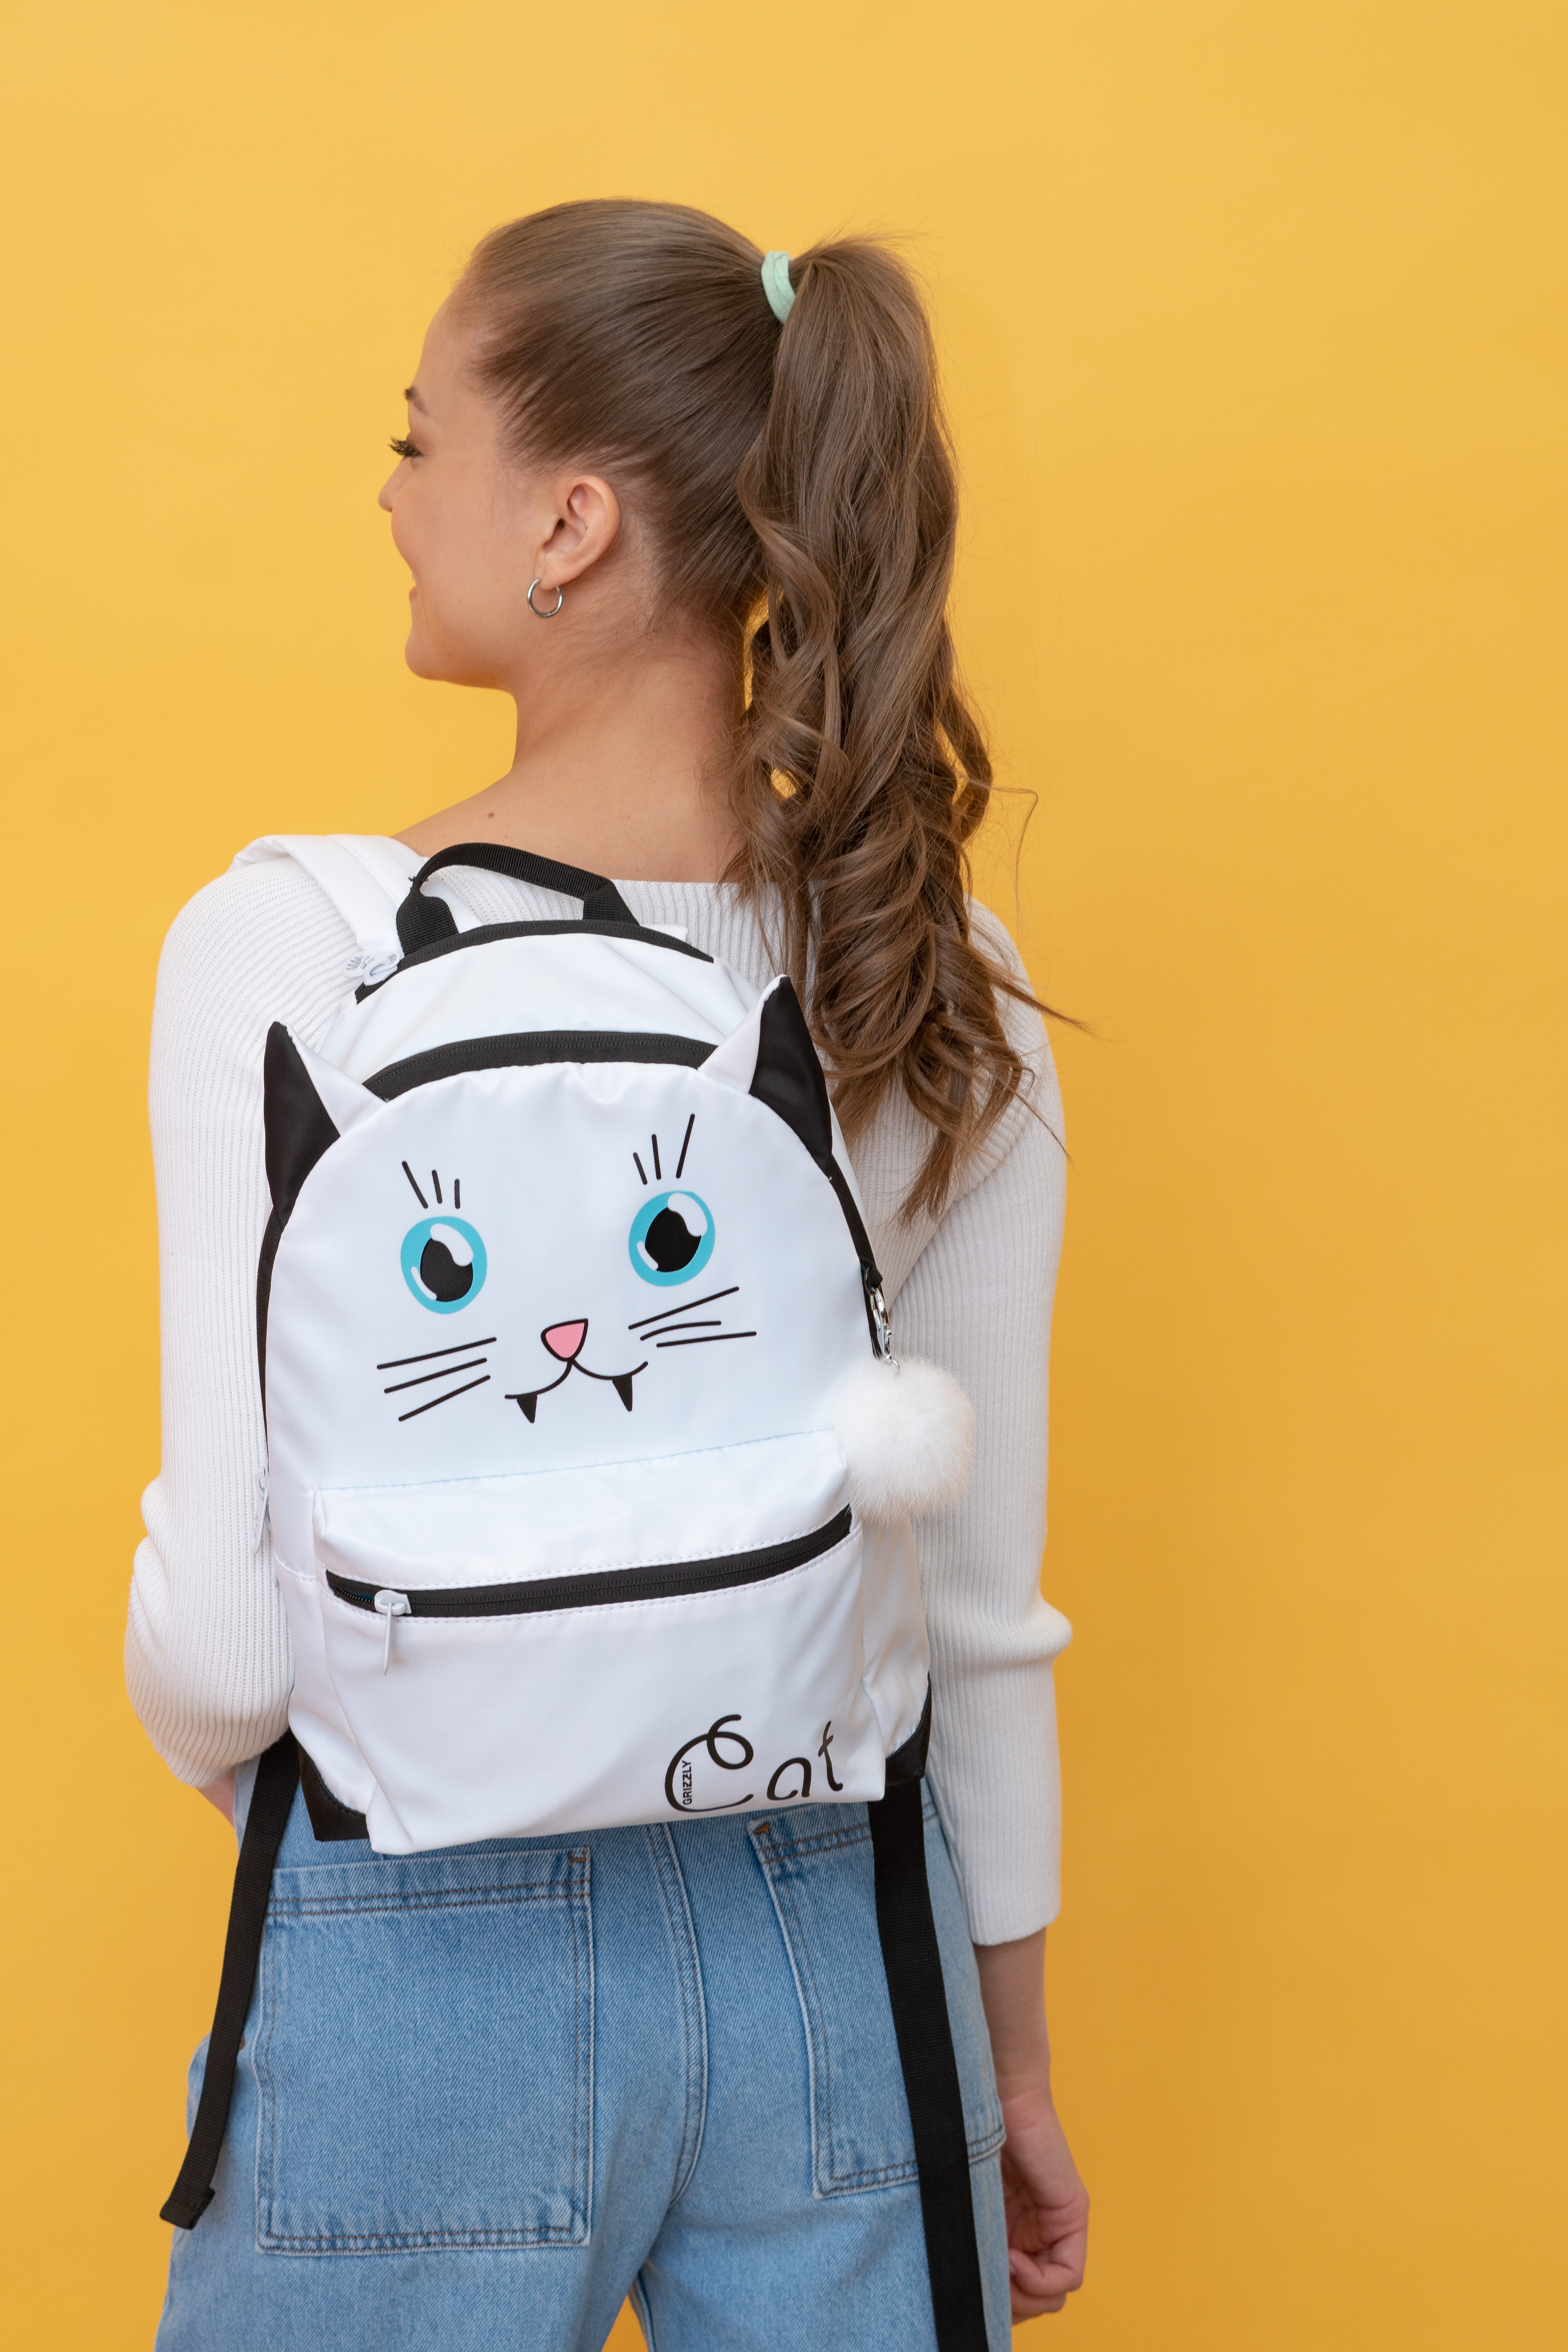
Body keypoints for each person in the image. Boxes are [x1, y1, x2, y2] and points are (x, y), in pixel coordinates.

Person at [132, 198, 1087, 2350]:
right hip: (840, 1942)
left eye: (419, 438)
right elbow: (970, 1608)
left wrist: (413, 1772)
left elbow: (222, 1636)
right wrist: (1010, 2063)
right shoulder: (933, 968)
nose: (392, 496)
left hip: (415, 1932)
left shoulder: (292, 950)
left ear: (569, 522)